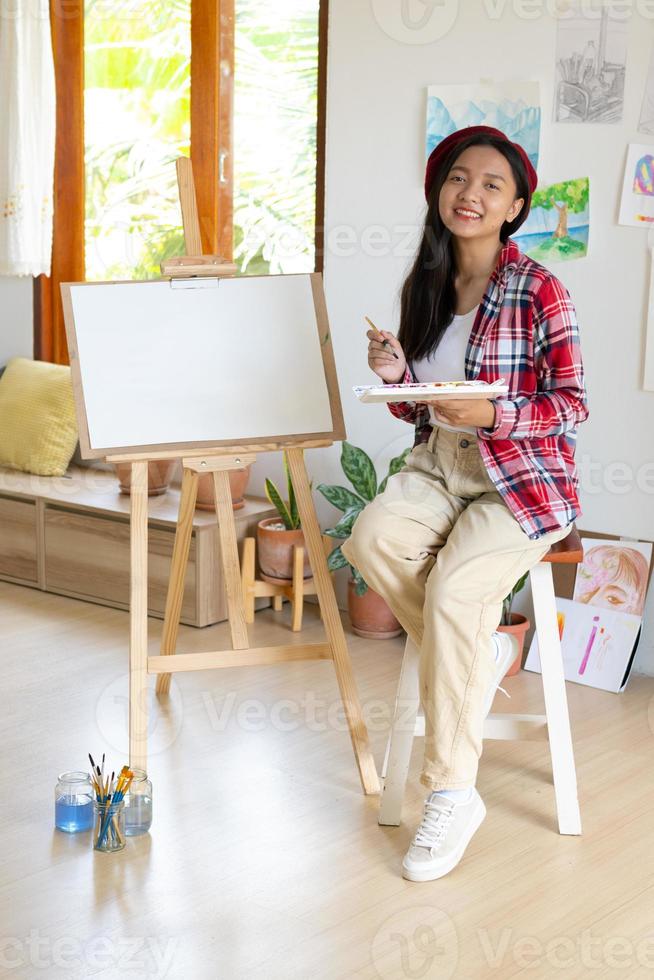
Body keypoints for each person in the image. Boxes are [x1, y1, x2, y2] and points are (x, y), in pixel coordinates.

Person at [341, 125, 589, 882]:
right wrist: (396, 369)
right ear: (437, 191)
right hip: (438, 467)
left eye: (489, 183)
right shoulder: (425, 283)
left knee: (454, 590)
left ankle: (451, 792)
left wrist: (496, 415)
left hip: (520, 473)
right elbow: (420, 408)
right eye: (457, 178)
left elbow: (572, 403)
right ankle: (475, 654)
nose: (469, 193)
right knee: (372, 535)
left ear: (515, 205)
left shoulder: (540, 286)